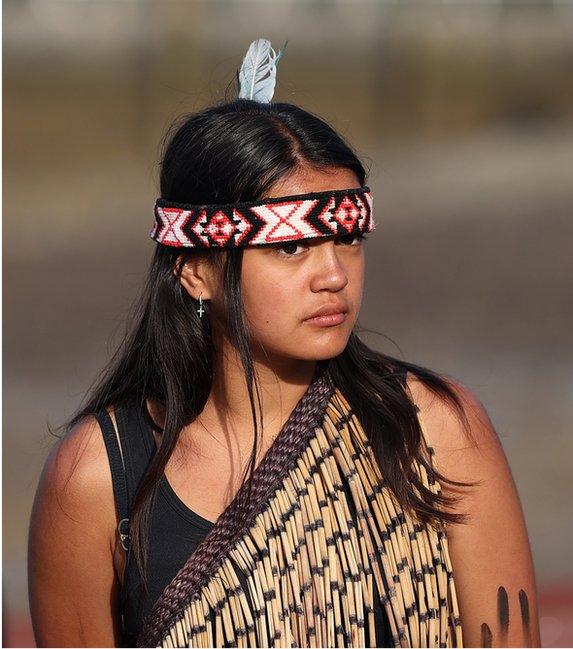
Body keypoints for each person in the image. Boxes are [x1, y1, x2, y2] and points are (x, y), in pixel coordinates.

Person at [27, 39, 539, 648]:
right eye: (291, 247)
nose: (334, 274)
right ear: (196, 269)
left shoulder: (436, 430)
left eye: (347, 239)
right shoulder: (95, 479)